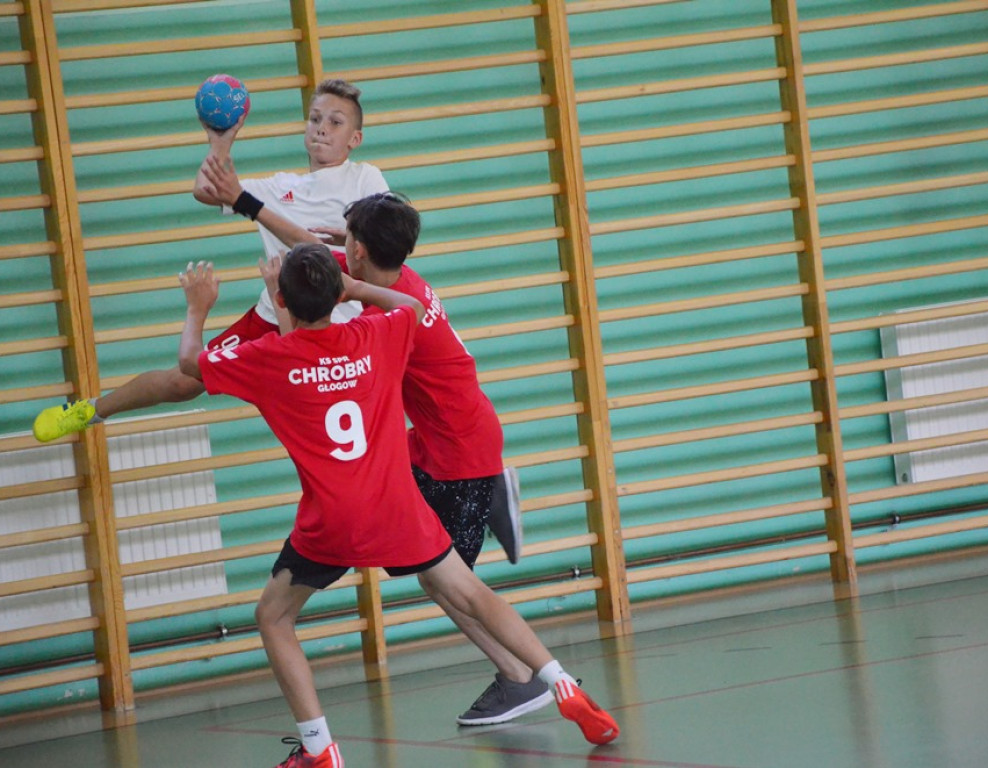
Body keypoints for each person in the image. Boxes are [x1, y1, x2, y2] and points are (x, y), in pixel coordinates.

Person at [177, 243, 620, 767]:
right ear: (338, 294)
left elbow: (189, 364)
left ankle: (320, 749)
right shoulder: (376, 335)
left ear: (281, 300)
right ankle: (562, 682)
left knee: (273, 618)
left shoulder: (268, 359)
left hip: (332, 522)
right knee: (472, 593)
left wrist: (198, 308)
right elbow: (405, 307)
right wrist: (354, 287)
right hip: (397, 510)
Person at [197, 174, 538, 726]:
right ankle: (494, 496)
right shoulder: (395, 282)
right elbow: (309, 242)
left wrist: (242, 199)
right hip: (435, 440)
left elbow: (308, 263)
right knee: (375, 477)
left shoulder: (387, 313)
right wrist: (266, 214)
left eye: (346, 239)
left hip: (455, 451)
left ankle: (521, 676)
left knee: (443, 578)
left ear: (357, 250)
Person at [30, 78, 385, 440]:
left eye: (335, 122)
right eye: (315, 119)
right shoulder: (278, 187)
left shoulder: (364, 178)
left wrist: (249, 204)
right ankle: (91, 410)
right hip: (276, 310)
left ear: (354, 139)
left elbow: (331, 253)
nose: (322, 128)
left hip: (341, 322)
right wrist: (220, 139)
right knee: (186, 380)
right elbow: (206, 190)